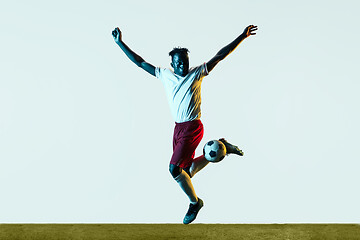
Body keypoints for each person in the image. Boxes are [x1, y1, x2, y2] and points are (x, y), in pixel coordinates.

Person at [112, 25, 258, 224]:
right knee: (186, 172)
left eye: (185, 61)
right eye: (178, 62)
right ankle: (222, 145)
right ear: (172, 64)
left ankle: (194, 202)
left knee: (173, 169)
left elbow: (220, 55)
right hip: (178, 129)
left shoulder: (197, 73)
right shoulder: (164, 75)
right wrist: (120, 43)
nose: (182, 65)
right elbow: (140, 62)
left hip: (192, 127)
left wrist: (242, 36)